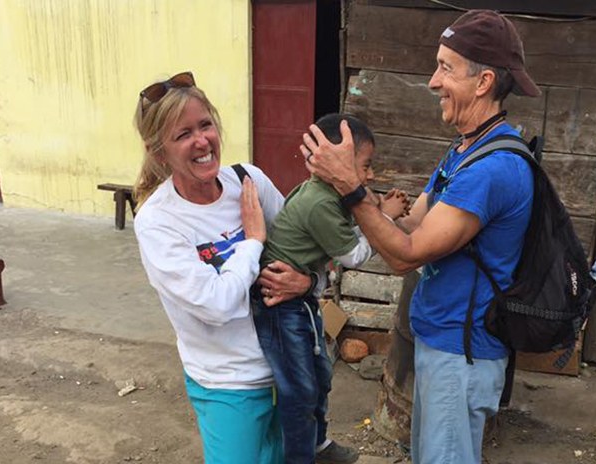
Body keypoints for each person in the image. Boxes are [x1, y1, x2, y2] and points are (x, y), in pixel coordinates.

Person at [301, 10, 541, 464]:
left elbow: (404, 255)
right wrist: (348, 202)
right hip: (438, 342)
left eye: (446, 68)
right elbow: (410, 226)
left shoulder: (492, 169)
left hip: (462, 354)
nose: (433, 81)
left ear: (484, 80)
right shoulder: (465, 151)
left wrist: (349, 188)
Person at [131, 71, 313, 464]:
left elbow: (301, 249)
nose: (201, 141)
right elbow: (217, 305)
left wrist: (307, 280)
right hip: (228, 385)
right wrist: (252, 241)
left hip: (288, 369)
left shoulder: (249, 181)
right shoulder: (158, 222)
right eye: (183, 135)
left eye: (205, 125)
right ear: (159, 153)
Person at [253, 113, 410, 464]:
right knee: (299, 391)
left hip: (301, 300)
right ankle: (300, 457)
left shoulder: (328, 196)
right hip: (280, 307)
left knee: (320, 376)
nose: (369, 175)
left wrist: (378, 210)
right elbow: (352, 254)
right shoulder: (319, 203)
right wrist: (384, 218)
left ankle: (318, 444)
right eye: (365, 165)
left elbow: (343, 241)